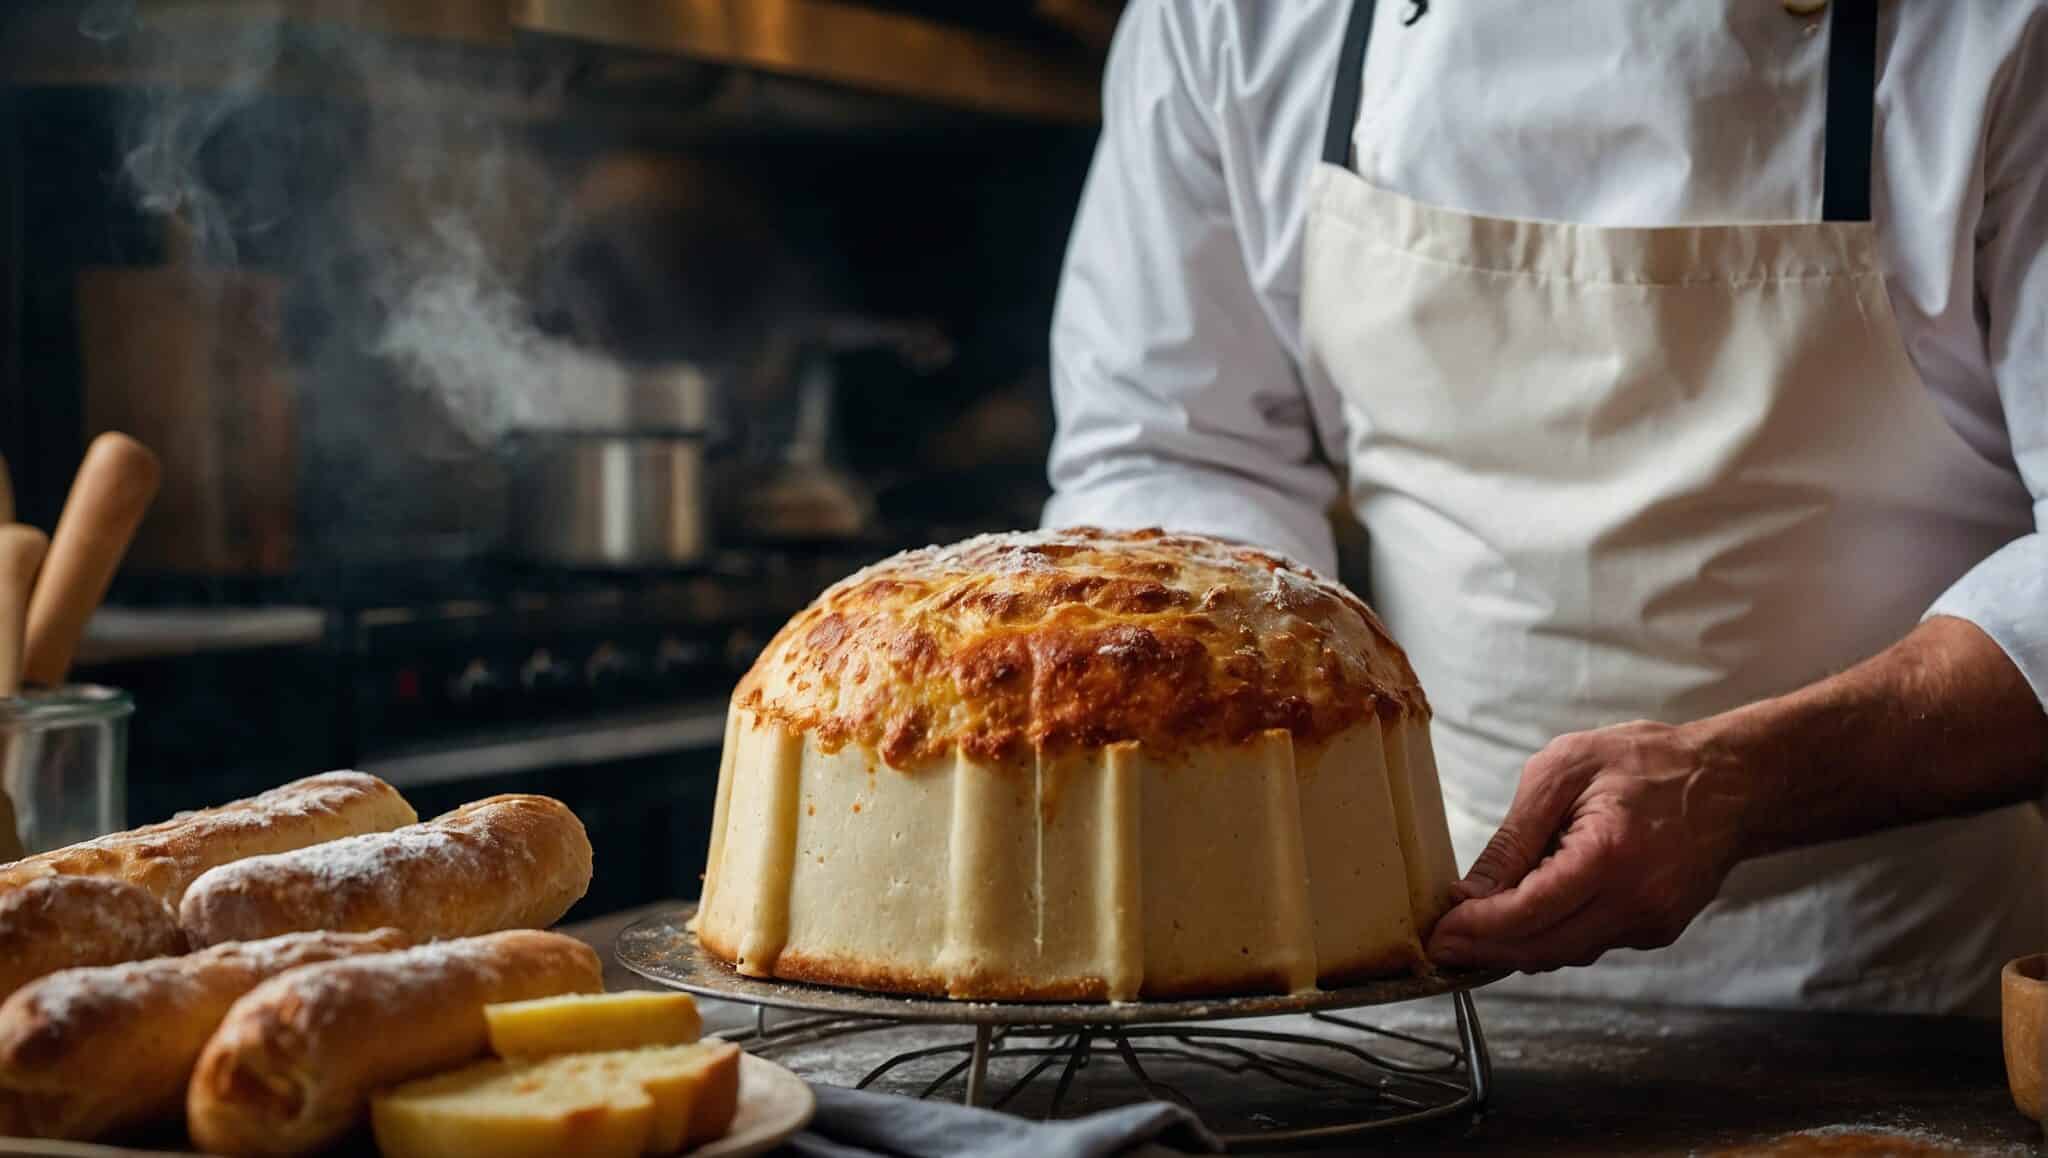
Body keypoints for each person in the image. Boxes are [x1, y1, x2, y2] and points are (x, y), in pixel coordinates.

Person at [1041, 0, 2048, 1016]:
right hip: (1409, 973)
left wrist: (1740, 783)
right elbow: (1174, 450)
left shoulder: (1996, 31)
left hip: (1904, 991)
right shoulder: (1232, 21)